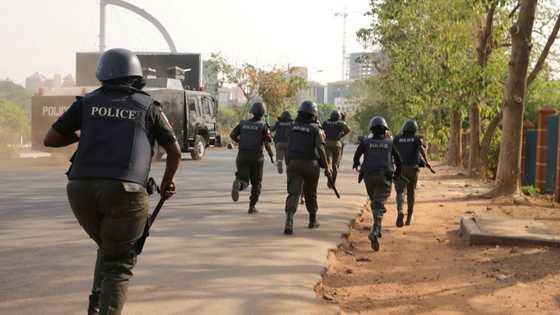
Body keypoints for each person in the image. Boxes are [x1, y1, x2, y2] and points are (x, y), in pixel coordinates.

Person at [43, 48, 181, 315]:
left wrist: (86, 133)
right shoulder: (148, 106)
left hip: (79, 189)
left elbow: (51, 139)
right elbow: (174, 151)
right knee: (119, 263)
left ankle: (95, 307)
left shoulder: (86, 103)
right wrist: (166, 183)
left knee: (109, 248)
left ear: (102, 75)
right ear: (137, 75)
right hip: (126, 191)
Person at [352, 116, 401, 251]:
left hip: (369, 177)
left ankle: (377, 227)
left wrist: (356, 163)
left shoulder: (366, 142)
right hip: (384, 177)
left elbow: (357, 155)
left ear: (372, 129)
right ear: (385, 130)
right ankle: (375, 231)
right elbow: (398, 160)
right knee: (379, 205)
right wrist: (397, 174)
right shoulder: (390, 143)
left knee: (375, 202)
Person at [283, 100, 332, 235]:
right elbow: (321, 149)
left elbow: (289, 143)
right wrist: (327, 167)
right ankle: (312, 220)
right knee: (311, 194)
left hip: (293, 163)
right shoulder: (316, 129)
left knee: (294, 193)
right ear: (313, 115)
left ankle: (289, 220)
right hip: (310, 165)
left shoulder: (292, 127)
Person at [230, 101, 274, 214]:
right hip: (256, 158)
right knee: (256, 183)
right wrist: (271, 155)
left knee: (243, 180)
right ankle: (252, 206)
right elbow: (268, 141)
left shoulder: (243, 123)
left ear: (252, 112)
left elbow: (232, 135)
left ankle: (238, 185)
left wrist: (240, 141)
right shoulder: (263, 126)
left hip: (242, 155)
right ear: (262, 113)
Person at [393, 119, 430, 226]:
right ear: (414, 129)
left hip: (400, 169)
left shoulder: (397, 138)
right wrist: (426, 162)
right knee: (411, 192)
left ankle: (400, 210)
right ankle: (409, 218)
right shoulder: (416, 139)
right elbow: (422, 150)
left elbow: (392, 150)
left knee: (400, 192)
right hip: (413, 169)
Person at [322, 110, 350, 186]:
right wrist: (341, 136)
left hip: (327, 143)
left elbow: (321, 130)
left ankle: (329, 178)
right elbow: (348, 129)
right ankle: (332, 183)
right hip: (337, 144)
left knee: (329, 163)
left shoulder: (325, 122)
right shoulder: (341, 123)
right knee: (335, 165)